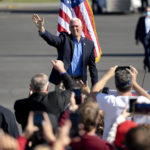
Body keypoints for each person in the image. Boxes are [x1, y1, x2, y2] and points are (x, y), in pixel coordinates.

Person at [32, 14, 98, 88]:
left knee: (81, 100)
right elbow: (53, 40)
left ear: (81, 27)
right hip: (63, 81)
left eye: (77, 26)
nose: (74, 28)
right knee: (61, 100)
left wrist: (95, 86)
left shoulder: (89, 44)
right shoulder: (65, 39)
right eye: (72, 27)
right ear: (69, 28)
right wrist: (41, 28)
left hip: (80, 82)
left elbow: (92, 68)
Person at [14, 60, 76, 131]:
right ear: (47, 87)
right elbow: (73, 89)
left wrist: (29, 98)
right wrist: (61, 70)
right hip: (52, 139)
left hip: (30, 140)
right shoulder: (56, 98)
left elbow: (20, 120)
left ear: (31, 87)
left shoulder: (20, 104)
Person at [92, 66, 150, 140]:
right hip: (133, 144)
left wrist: (107, 76)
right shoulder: (137, 102)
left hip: (111, 144)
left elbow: (93, 93)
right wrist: (135, 84)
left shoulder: (110, 101)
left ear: (116, 86)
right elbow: (148, 99)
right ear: (131, 85)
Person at [135, 6, 150, 70]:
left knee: (148, 52)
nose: (148, 12)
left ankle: (145, 62)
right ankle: (149, 66)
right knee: (147, 50)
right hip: (144, 37)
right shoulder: (141, 19)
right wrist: (136, 38)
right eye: (147, 11)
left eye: (149, 11)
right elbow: (137, 28)